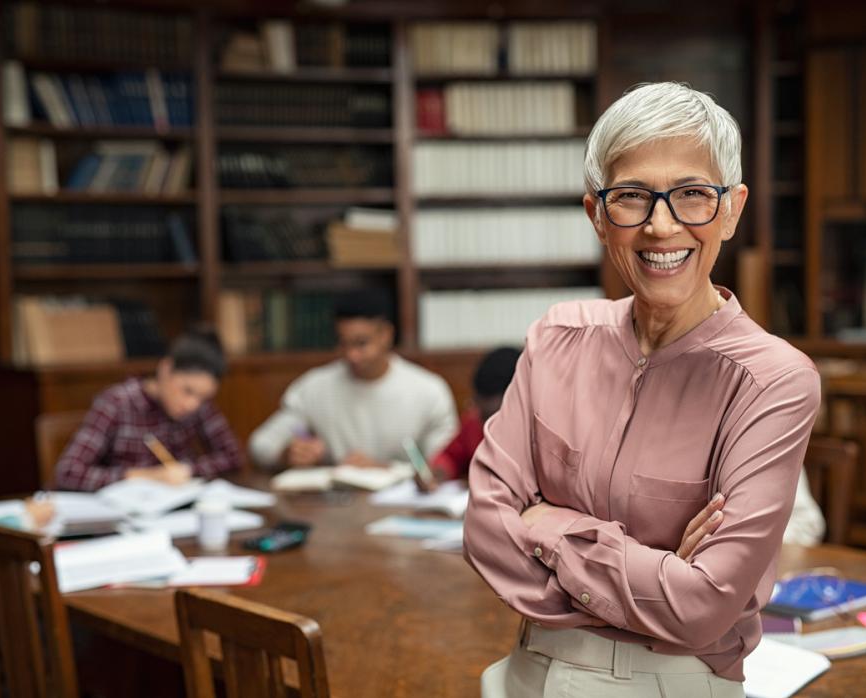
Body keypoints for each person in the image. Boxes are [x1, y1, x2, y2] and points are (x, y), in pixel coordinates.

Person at [463, 82, 820, 698]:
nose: (661, 225)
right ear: (597, 215)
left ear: (732, 209)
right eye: (631, 197)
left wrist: (545, 525)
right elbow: (483, 532)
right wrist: (654, 570)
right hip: (524, 671)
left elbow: (701, 606)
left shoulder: (774, 381)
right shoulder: (555, 338)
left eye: (691, 195)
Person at [248, 290, 459, 470]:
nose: (351, 355)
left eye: (361, 343)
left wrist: (384, 470)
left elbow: (444, 464)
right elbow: (260, 445)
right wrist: (285, 455)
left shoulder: (429, 390)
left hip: (403, 508)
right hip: (333, 508)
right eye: (343, 344)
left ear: (386, 334)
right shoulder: (314, 387)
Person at [55, 328, 242, 491]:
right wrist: (142, 476)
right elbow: (68, 472)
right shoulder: (117, 402)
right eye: (187, 390)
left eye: (203, 397)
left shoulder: (199, 408)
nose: (192, 404)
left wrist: (188, 469)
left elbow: (233, 456)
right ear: (165, 369)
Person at [430, 347, 521, 483]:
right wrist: (440, 471)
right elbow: (450, 456)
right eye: (477, 402)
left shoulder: (539, 432)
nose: (483, 422)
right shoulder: (474, 420)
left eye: (490, 415)